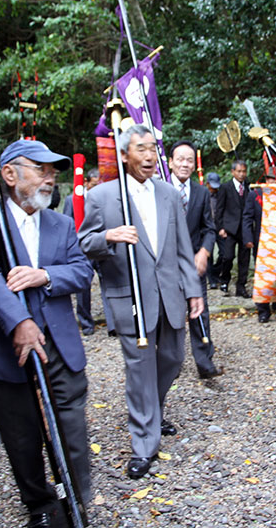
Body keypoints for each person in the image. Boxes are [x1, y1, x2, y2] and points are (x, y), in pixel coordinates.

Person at [0, 139, 93, 527]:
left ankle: (78, 501)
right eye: (41, 169)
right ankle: (41, 505)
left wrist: (46, 275)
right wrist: (19, 323)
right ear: (9, 174)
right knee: (21, 433)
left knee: (71, 425)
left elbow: (82, 270)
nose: (51, 177)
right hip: (9, 348)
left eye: (54, 170)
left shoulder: (61, 223)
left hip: (59, 345)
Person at [79, 124, 203, 480]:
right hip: (129, 295)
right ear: (124, 155)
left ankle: (153, 410)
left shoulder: (167, 194)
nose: (149, 156)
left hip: (170, 294)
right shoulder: (102, 196)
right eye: (141, 149)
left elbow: (182, 247)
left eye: (153, 148)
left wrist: (192, 289)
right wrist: (108, 236)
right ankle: (144, 443)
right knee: (139, 371)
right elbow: (84, 242)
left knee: (173, 358)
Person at [168, 141, 223, 379]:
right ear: (170, 162)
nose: (184, 164)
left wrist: (204, 252)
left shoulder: (200, 192)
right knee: (170, 313)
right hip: (166, 265)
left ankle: (204, 361)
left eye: (189, 159)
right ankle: (170, 362)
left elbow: (209, 228)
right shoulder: (159, 189)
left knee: (199, 311)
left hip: (194, 263)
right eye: (180, 159)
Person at [241, 166, 276, 323]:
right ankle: (263, 310)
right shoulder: (255, 195)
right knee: (263, 276)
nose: (274, 182)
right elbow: (247, 217)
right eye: (271, 179)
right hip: (263, 241)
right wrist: (248, 238)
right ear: (266, 180)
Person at [63, 167, 100, 336]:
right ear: (86, 182)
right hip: (82, 248)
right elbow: (67, 224)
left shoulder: (102, 197)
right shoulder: (72, 199)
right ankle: (85, 322)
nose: (97, 187)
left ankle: (115, 323)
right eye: (94, 184)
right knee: (83, 287)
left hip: (101, 245)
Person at [214, 159, 251, 297]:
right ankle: (224, 280)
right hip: (229, 228)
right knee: (227, 256)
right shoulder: (225, 187)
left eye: (244, 171)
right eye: (239, 171)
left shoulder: (249, 186)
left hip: (246, 229)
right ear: (233, 172)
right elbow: (219, 209)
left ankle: (241, 286)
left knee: (244, 259)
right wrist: (220, 228)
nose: (241, 174)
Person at [205, 172, 222, 289]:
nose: (213, 189)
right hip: (207, 228)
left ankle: (216, 273)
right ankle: (211, 279)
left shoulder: (221, 195)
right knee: (208, 255)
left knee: (226, 254)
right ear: (207, 184)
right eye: (212, 186)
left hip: (219, 227)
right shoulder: (202, 194)